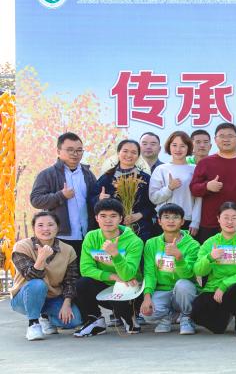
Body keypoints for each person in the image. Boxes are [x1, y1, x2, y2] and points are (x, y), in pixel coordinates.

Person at [73, 198, 144, 337]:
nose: (108, 220)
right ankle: (95, 321)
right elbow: (86, 269)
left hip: (129, 288)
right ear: (96, 218)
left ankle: (129, 317)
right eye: (103, 216)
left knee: (124, 286)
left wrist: (115, 255)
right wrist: (112, 276)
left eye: (113, 216)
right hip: (106, 285)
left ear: (121, 218)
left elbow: (128, 275)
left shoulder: (134, 241)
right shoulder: (91, 237)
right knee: (82, 283)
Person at [10, 211, 83, 341]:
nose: (45, 229)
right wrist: (41, 258)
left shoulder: (68, 250)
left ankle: (45, 317)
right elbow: (31, 277)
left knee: (75, 321)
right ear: (34, 228)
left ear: (57, 227)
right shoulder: (22, 247)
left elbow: (70, 280)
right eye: (40, 225)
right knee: (38, 284)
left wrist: (66, 303)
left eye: (50, 224)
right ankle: (33, 324)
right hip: (24, 297)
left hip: (52, 298)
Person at [191, 202, 236, 337]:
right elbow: (198, 271)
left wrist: (224, 285)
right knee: (197, 311)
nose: (230, 222)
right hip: (215, 290)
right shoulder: (210, 242)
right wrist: (210, 257)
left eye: (234, 218)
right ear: (218, 219)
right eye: (226, 217)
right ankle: (225, 316)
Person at [30, 132, 98, 255]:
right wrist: (61, 195)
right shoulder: (47, 174)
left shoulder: (88, 174)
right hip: (60, 236)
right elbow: (36, 200)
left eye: (79, 150)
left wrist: (100, 199)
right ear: (58, 151)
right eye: (70, 150)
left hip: (87, 235)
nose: (75, 154)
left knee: (85, 267)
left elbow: (94, 199)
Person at [140, 203, 200, 335]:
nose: (171, 221)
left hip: (183, 291)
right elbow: (149, 273)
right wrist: (147, 296)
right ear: (159, 221)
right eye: (166, 217)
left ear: (182, 221)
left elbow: (188, 274)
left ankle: (186, 317)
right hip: (162, 290)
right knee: (147, 314)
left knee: (183, 285)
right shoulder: (151, 243)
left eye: (175, 217)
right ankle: (167, 316)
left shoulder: (193, 245)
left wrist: (179, 257)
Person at [92, 139, 156, 240]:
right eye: (125, 151)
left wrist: (139, 215)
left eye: (133, 152)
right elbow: (91, 198)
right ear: (118, 153)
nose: (129, 155)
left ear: (138, 156)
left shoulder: (145, 178)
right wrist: (99, 198)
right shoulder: (107, 178)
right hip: (113, 230)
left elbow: (153, 202)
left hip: (141, 228)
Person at [149, 131, 202, 237]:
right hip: (164, 220)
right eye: (174, 145)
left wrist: (196, 221)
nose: (178, 149)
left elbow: (199, 198)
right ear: (169, 146)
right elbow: (153, 198)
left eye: (182, 146)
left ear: (188, 148)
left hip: (187, 220)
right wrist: (169, 188)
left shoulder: (195, 169)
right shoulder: (161, 169)